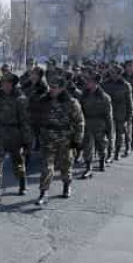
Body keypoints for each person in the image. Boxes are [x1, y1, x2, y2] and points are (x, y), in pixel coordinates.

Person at [0, 72, 31, 206]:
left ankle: (22, 182)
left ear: (12, 84)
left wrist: (27, 141)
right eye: (2, 82)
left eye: (6, 82)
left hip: (14, 134)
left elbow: (25, 122)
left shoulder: (20, 99)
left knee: (17, 162)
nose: (3, 85)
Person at [36, 75, 85, 206]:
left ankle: (66, 185)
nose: (51, 89)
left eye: (54, 87)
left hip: (65, 139)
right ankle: (43, 192)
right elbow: (36, 118)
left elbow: (79, 122)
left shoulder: (71, 102)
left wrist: (77, 140)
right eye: (50, 87)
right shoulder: (44, 101)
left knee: (66, 165)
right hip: (48, 139)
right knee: (46, 167)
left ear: (62, 88)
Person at [78, 72, 113, 178]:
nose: (88, 83)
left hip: (100, 124)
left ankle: (102, 160)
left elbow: (108, 114)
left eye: (90, 81)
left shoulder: (104, 97)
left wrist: (109, 129)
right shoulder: (84, 96)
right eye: (88, 81)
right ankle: (88, 167)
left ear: (96, 83)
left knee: (101, 144)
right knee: (87, 146)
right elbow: (79, 111)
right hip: (87, 123)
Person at [102, 65, 133, 159]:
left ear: (119, 74)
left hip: (121, 113)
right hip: (108, 113)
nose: (112, 75)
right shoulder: (105, 84)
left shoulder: (125, 85)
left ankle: (117, 152)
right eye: (111, 72)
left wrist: (129, 116)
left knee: (120, 133)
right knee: (109, 134)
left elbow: (129, 102)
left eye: (114, 73)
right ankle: (109, 153)